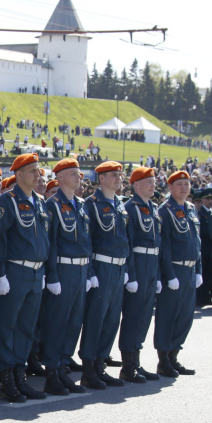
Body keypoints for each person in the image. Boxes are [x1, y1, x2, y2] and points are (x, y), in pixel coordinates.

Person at [0, 153, 50, 402]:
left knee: (26, 327)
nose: (38, 175)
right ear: (19, 174)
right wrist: (1, 274)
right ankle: (7, 380)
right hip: (15, 271)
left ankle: (19, 375)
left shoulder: (38, 201)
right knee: (8, 326)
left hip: (36, 271)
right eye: (32, 171)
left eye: (39, 170)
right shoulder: (8, 200)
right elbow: (0, 241)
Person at [78, 161, 129, 390]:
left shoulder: (119, 203)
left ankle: (100, 364)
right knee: (96, 318)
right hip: (101, 266)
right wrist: (90, 272)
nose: (118, 178)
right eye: (113, 175)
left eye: (119, 174)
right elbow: (86, 240)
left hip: (118, 267)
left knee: (111, 319)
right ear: (101, 179)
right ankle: (88, 368)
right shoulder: (91, 204)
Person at [41, 158, 90, 395]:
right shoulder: (53, 205)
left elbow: (87, 241)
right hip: (63, 268)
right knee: (57, 322)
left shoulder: (81, 204)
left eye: (79, 173)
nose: (78, 177)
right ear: (59, 178)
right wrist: (52, 275)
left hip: (80, 269)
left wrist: (89, 272)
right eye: (72, 173)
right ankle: (51, 372)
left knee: (73, 322)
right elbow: (50, 243)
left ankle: (63, 367)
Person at [116, 167, 162, 383]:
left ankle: (136, 361)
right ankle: (127, 366)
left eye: (154, 182)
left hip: (151, 264)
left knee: (144, 316)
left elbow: (158, 244)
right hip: (138, 263)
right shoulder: (130, 209)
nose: (153, 185)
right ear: (135, 185)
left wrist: (159, 275)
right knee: (133, 316)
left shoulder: (153, 208)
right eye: (148, 182)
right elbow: (129, 244)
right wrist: (132, 275)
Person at [154, 171, 202, 377]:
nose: (184, 188)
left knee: (185, 317)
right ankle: (163, 359)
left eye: (186, 184)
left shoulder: (191, 209)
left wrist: (199, 270)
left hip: (190, 269)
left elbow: (197, 243)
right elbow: (164, 246)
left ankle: (174, 356)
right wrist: (170, 274)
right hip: (174, 270)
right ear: (170, 188)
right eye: (179, 184)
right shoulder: (165, 211)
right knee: (168, 315)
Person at [196, 189, 212, 306]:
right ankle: (200, 297)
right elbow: (201, 230)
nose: (210, 201)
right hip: (204, 247)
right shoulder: (199, 213)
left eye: (211, 199)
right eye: (207, 199)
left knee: (209, 274)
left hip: (211, 248)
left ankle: (206, 296)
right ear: (202, 200)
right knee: (202, 273)